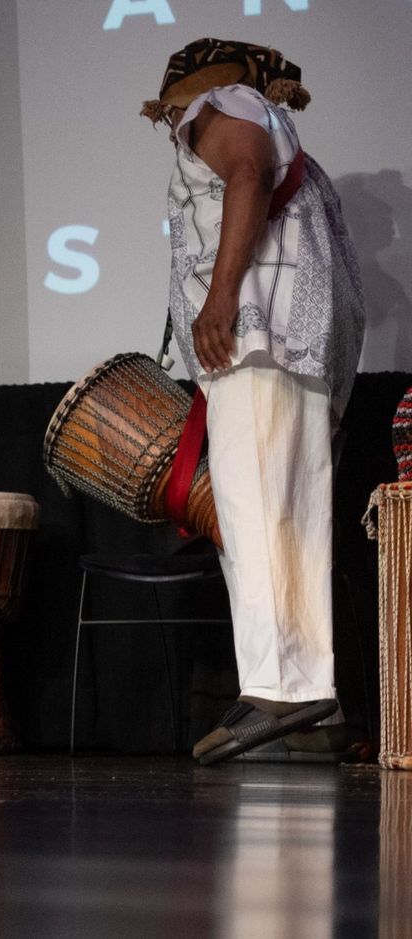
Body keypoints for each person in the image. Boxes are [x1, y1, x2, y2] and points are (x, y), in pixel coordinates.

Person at [141, 38, 365, 764]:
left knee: (255, 507)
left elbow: (246, 174)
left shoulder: (219, 109)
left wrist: (220, 298)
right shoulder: (268, 114)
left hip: (255, 340)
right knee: (291, 514)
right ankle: (309, 702)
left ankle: (280, 688)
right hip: (292, 347)